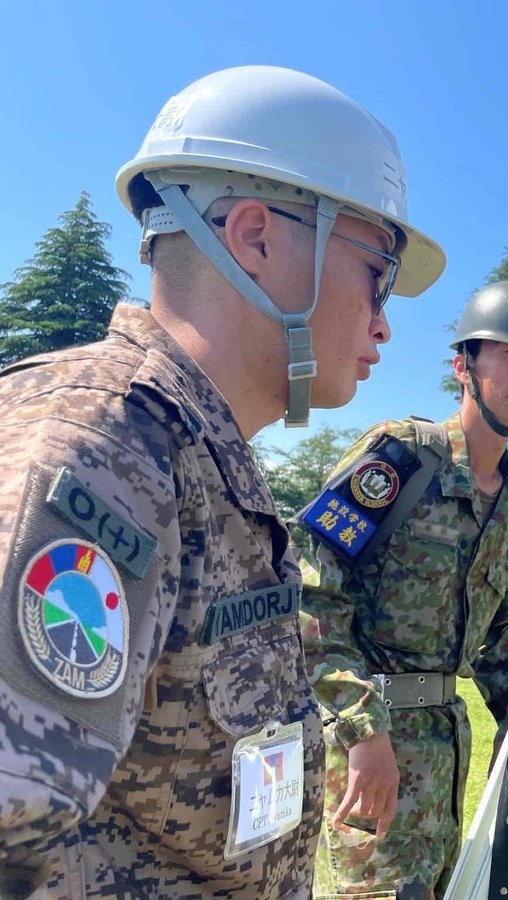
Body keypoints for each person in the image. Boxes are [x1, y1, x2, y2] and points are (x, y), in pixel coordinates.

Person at [0, 65, 444, 898]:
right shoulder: (101, 446)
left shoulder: (200, 462)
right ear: (255, 237)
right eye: (376, 270)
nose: (383, 319)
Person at [295, 281, 508, 898]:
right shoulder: (402, 459)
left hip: (446, 751)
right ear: (463, 366)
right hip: (369, 746)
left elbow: (505, 642)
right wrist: (363, 732)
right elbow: (313, 595)